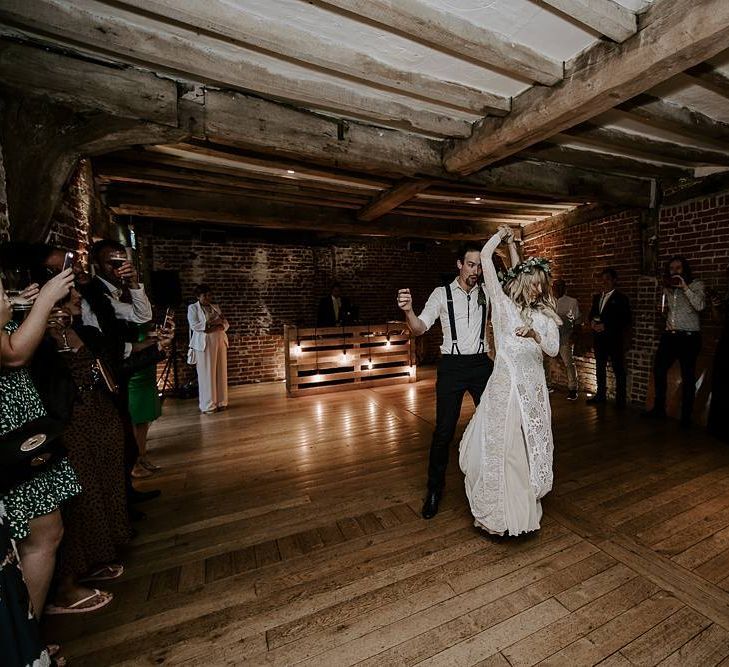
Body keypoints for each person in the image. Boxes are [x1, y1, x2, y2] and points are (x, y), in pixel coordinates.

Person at [459, 226, 560, 536]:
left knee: (522, 450)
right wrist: (501, 236)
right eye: (532, 285)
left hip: (531, 392)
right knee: (497, 448)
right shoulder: (502, 308)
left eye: (540, 286)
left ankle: (518, 511)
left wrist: (535, 333)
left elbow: (553, 349)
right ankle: (497, 516)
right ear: (521, 284)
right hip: (504, 388)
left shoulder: (543, 318)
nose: (536, 291)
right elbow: (487, 256)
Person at [0, 267, 81, 619]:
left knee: (40, 533)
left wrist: (17, 306)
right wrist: (47, 297)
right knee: (40, 535)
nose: (4, 297)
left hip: (20, 427)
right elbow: (13, 354)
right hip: (9, 434)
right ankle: (24, 646)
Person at [397, 242, 492, 520]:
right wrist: (408, 310)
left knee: (492, 425)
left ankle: (492, 483)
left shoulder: (487, 292)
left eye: (479, 266)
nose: (476, 271)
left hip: (480, 364)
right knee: (443, 431)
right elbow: (419, 328)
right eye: (471, 264)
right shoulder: (442, 294)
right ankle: (435, 490)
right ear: (459, 264)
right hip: (451, 366)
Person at [643, 257, 706, 427]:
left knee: (687, 376)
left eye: (678, 268)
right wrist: (663, 312)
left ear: (684, 269)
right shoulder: (668, 289)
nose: (675, 271)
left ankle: (686, 417)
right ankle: (659, 409)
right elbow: (668, 311)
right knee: (659, 370)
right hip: (670, 336)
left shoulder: (696, 285)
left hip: (689, 338)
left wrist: (684, 287)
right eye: (672, 268)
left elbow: (700, 306)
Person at [587, 268, 631, 407]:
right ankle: (600, 395)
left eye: (607, 279)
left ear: (614, 280)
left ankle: (620, 400)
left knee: (618, 369)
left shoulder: (621, 298)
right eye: (603, 279)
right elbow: (592, 313)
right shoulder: (597, 297)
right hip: (599, 339)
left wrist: (606, 326)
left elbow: (626, 319)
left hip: (614, 339)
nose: (604, 282)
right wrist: (592, 322)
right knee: (600, 368)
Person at [187, 285, 229, 414]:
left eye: (209, 295)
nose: (208, 298)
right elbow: (195, 325)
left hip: (219, 339)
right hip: (204, 344)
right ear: (198, 296)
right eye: (204, 295)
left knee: (220, 370)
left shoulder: (215, 307)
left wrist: (215, 326)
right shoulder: (193, 308)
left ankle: (222, 401)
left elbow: (225, 324)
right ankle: (208, 405)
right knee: (207, 373)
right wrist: (211, 324)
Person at [708, 264, 729, 441]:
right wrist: (715, 306)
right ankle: (720, 428)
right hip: (726, 341)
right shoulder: (728, 293)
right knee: (721, 382)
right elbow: (718, 320)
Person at [552, 279, 582, 400]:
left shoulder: (572, 302)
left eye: (560, 286)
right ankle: (548, 384)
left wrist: (573, 336)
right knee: (545, 361)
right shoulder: (548, 302)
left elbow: (578, 320)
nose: (557, 289)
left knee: (569, 363)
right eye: (555, 286)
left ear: (564, 288)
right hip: (551, 338)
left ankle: (573, 388)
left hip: (565, 337)